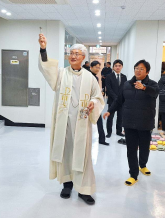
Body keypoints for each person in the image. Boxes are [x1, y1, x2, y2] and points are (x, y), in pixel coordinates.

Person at [38, 33, 104, 205]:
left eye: (77, 54)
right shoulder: (61, 74)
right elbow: (46, 68)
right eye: (71, 53)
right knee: (66, 153)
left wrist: (92, 103)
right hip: (64, 122)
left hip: (82, 122)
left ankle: (84, 190)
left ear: (83, 58)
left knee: (83, 156)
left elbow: (98, 97)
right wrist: (43, 49)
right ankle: (67, 185)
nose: (73, 56)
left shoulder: (90, 77)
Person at [103, 60, 159, 186]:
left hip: (145, 122)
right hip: (129, 122)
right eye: (136, 68)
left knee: (144, 147)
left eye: (141, 69)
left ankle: (143, 165)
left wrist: (144, 88)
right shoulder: (127, 84)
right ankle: (133, 174)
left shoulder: (153, 85)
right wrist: (110, 111)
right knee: (131, 149)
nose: (138, 71)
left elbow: (155, 93)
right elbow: (119, 100)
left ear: (147, 71)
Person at [105, 59, 127, 138]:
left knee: (120, 117)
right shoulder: (109, 76)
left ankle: (119, 131)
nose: (118, 67)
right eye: (116, 66)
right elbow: (109, 88)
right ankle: (109, 132)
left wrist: (121, 98)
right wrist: (116, 98)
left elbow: (125, 88)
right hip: (112, 100)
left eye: (119, 66)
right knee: (110, 117)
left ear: (122, 67)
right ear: (113, 67)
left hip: (121, 101)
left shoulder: (124, 77)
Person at [90, 61, 109, 146]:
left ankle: (101, 139)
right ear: (91, 67)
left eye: (99, 67)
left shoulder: (96, 78)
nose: (98, 69)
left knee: (99, 120)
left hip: (94, 101)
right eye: (96, 67)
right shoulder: (87, 76)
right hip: (87, 102)